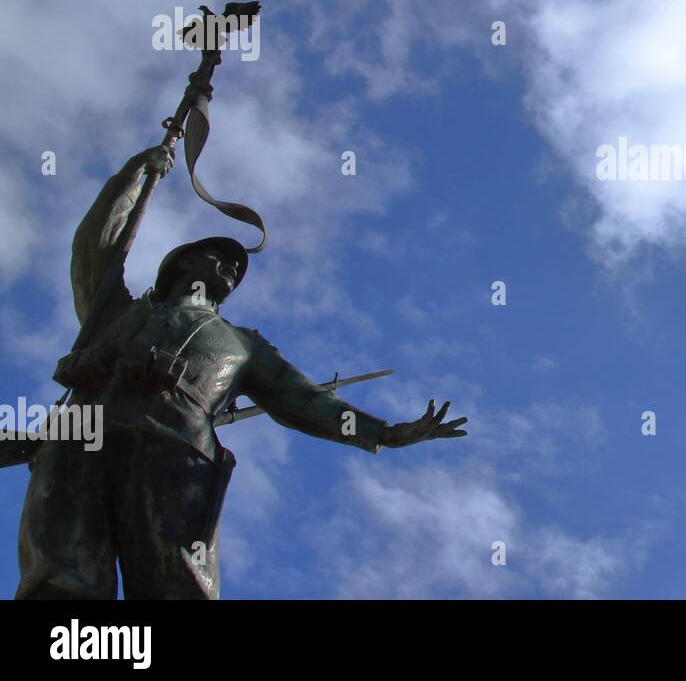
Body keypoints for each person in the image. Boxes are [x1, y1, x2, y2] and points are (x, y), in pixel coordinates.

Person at [16, 144, 467, 599]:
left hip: (172, 452)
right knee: (61, 583)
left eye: (237, 265)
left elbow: (304, 400)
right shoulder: (114, 308)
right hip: (79, 444)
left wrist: (385, 432)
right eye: (220, 255)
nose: (233, 266)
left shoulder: (242, 344)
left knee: (176, 587)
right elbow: (97, 243)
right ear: (182, 263)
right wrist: (135, 174)